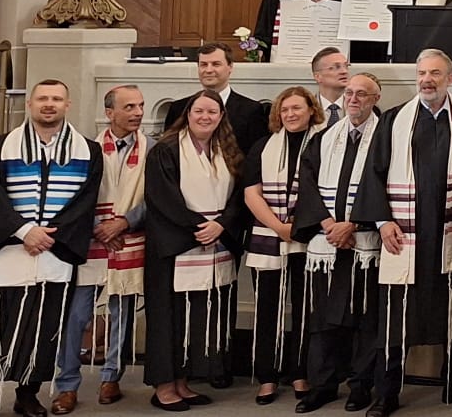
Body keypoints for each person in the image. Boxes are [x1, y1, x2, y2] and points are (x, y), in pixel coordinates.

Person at [356, 50, 452, 414]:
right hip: (406, 234)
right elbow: (373, 172)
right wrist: (383, 222)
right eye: (421, 73)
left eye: (435, 73)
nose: (426, 80)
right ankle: (386, 392)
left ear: (451, 78)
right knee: (395, 319)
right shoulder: (396, 119)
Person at [0, 78, 102, 417]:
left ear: (67, 105)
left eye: (57, 98)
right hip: (7, 249)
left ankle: (28, 394)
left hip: (54, 250)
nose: (49, 104)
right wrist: (25, 230)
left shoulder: (88, 151)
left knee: (44, 327)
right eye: (42, 98)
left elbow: (85, 202)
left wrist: (48, 236)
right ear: (30, 104)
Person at [144, 89, 246, 411]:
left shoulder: (227, 150)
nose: (205, 117)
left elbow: (239, 196)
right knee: (168, 318)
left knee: (197, 318)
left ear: (221, 117)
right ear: (187, 114)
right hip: (175, 248)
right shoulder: (166, 150)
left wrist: (223, 225)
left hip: (214, 244)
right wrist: (199, 228)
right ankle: (163, 385)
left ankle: (183, 381)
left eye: (212, 113)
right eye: (199, 111)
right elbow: (162, 199)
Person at [293, 73, 387, 413]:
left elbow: (387, 185)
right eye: (349, 92)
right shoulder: (324, 137)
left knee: (366, 318)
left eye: (363, 94)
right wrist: (329, 223)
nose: (354, 99)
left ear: (376, 99)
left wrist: (355, 223)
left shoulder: (385, 138)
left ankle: (362, 385)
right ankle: (323, 385)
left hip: (365, 244)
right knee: (323, 319)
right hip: (328, 244)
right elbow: (307, 183)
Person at [52, 85, 147, 414]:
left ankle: (111, 377)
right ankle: (66, 384)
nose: (137, 113)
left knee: (122, 314)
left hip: (130, 237)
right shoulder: (85, 147)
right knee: (76, 315)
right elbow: (69, 192)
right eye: (129, 107)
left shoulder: (153, 149)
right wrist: (97, 227)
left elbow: (157, 194)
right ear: (110, 113)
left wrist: (125, 223)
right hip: (90, 239)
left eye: (140, 106)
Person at [243, 87, 325, 404]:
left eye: (297, 108)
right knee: (267, 309)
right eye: (285, 109)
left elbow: (325, 190)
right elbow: (251, 193)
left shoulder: (322, 144)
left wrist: (299, 226)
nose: (290, 114)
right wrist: (278, 226)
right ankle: (267, 377)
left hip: (309, 236)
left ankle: (300, 372)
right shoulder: (263, 146)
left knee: (305, 309)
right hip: (268, 235)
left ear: (310, 111)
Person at [161, 42, 271, 156]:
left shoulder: (251, 111)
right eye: (203, 64)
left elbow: (257, 157)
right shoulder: (179, 109)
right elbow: (167, 154)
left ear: (230, 67)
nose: (208, 70)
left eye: (216, 64)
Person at [310, 47, 351, 126]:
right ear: (318, 76)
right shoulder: (307, 108)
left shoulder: (361, 107)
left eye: (346, 66)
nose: (344, 71)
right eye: (336, 67)